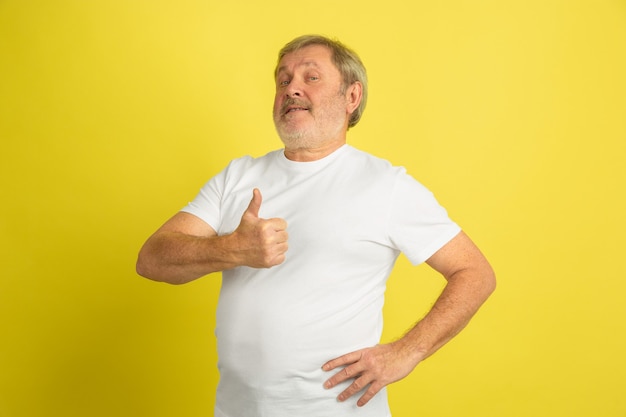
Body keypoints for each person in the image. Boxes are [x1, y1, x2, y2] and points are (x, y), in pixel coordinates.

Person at [136, 34, 496, 417]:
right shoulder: (237, 177)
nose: (291, 89)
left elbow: (474, 272)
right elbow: (152, 259)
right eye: (283, 79)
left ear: (351, 97)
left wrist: (406, 352)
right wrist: (233, 250)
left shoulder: (385, 185)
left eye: (311, 78)